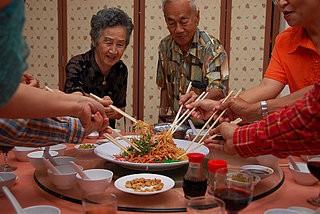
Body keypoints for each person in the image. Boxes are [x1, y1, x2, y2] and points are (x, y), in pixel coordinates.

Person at [0, 0, 109, 141]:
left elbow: (8, 96)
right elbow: (10, 119)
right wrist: (79, 117)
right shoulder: (77, 62)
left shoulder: (120, 69)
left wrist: (79, 104)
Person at [205, 79, 320, 158]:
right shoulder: (285, 43)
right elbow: (267, 86)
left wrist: (240, 137)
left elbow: (309, 117)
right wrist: (248, 111)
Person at [156, 0, 229, 123]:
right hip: (176, 125)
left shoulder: (212, 48)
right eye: (172, 23)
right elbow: (164, 87)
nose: (178, 29)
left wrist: (199, 99)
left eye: (184, 22)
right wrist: (162, 120)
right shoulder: (165, 46)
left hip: (205, 127)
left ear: (197, 17)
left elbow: (219, 90)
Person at [64, 7, 134, 128]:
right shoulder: (77, 64)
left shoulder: (121, 69)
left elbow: (120, 110)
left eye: (120, 44)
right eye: (108, 42)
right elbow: (73, 100)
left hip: (105, 134)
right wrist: (93, 105)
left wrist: (113, 112)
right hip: (78, 132)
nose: (113, 51)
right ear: (94, 41)